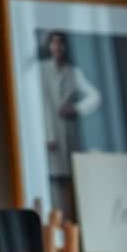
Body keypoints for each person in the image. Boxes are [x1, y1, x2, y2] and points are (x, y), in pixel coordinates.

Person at [39, 32, 102, 214]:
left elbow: (95, 96)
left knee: (69, 180)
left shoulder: (73, 72)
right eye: (54, 43)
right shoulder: (42, 69)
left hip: (68, 132)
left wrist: (76, 108)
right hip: (49, 130)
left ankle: (68, 221)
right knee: (52, 180)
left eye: (61, 43)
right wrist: (47, 134)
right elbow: (40, 102)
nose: (57, 47)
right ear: (50, 46)